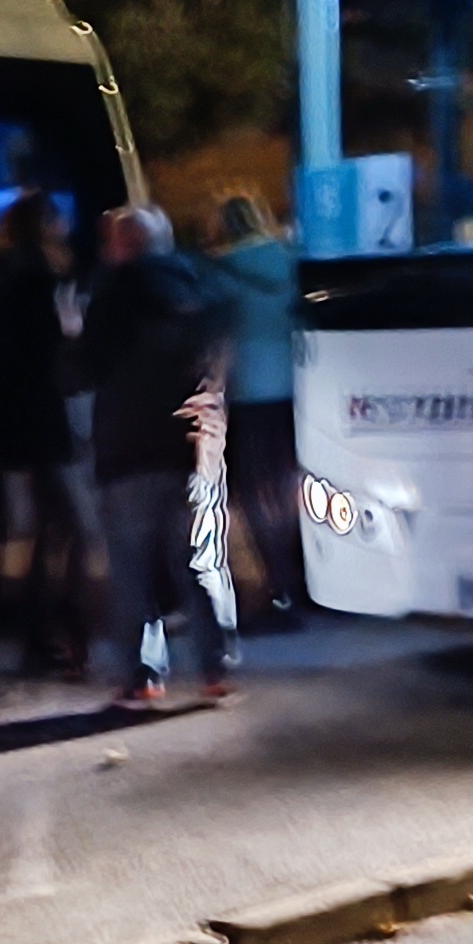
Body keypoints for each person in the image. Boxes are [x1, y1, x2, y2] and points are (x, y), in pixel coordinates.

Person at [72, 206, 234, 709]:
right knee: (193, 562)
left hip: (126, 450)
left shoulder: (111, 297)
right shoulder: (198, 289)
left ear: (122, 246)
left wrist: (69, 334)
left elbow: (76, 372)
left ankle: (143, 676)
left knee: (131, 571)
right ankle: (215, 667)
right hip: (187, 445)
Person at [0, 192, 98, 676]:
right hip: (43, 420)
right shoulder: (41, 282)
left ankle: (40, 630)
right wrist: (71, 332)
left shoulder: (8, 277)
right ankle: (62, 627)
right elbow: (54, 357)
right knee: (73, 527)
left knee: (49, 530)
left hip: (21, 421)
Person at [203, 192, 305, 632]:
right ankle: (304, 581)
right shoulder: (292, 260)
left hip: (245, 394)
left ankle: (278, 584)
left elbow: (212, 335)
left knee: (253, 494)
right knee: (289, 487)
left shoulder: (219, 272)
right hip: (293, 389)